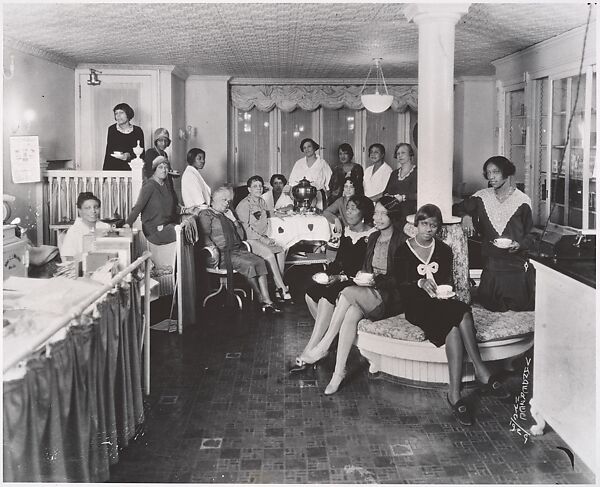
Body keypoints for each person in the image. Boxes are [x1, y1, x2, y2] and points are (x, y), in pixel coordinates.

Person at [395, 204, 510, 425]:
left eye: (434, 225)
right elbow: (399, 285)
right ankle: (480, 374)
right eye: (424, 224)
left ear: (438, 228)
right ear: (416, 224)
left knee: (460, 315)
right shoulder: (403, 250)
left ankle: (456, 392)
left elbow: (447, 283)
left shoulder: (444, 250)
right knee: (455, 322)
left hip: (440, 301)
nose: (429, 229)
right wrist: (419, 282)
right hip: (416, 304)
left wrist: (442, 291)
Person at [301, 196, 407, 394]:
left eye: (384, 213)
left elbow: (401, 279)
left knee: (347, 291)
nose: (378, 217)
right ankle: (338, 373)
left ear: (393, 215)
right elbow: (367, 266)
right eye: (377, 212)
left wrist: (375, 280)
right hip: (368, 291)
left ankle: (325, 345)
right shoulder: (374, 238)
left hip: (391, 296)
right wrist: (362, 275)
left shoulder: (401, 240)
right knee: (349, 315)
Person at [291, 195, 375, 372]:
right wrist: (329, 274)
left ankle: (312, 349)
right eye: (348, 207)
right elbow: (339, 260)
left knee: (326, 297)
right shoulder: (346, 230)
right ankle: (327, 340)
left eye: (353, 208)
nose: (348, 211)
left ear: (364, 213)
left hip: (357, 282)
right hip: (340, 277)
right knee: (310, 293)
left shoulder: (371, 236)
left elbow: (365, 269)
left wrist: (341, 278)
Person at [453, 156, 535, 311]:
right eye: (488, 172)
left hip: (515, 265)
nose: (491, 177)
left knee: (518, 307)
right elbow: (456, 208)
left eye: (496, 172)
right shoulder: (482, 197)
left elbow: (531, 234)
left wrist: (520, 244)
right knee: (490, 304)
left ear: (507, 173)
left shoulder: (522, 201)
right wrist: (466, 216)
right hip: (492, 264)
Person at [198, 186, 280, 313]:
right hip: (222, 255)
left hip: (238, 250)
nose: (227, 203)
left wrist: (234, 220)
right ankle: (262, 299)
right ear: (213, 201)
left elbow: (241, 236)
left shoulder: (228, 214)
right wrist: (213, 251)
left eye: (228, 201)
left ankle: (267, 300)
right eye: (224, 200)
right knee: (251, 264)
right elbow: (204, 236)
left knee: (260, 261)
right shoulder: (206, 214)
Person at [235, 176, 292, 302]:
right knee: (270, 254)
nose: (258, 188)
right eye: (255, 186)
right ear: (249, 189)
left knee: (281, 250)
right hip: (250, 240)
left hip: (262, 237)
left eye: (260, 186)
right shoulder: (244, 205)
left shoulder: (261, 201)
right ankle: (282, 288)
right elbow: (245, 229)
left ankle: (278, 287)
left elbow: (268, 213)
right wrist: (263, 239)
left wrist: (279, 214)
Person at [125, 157, 180, 244]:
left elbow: (173, 207)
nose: (164, 170)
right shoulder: (149, 186)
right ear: (155, 169)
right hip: (153, 230)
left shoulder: (166, 185)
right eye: (160, 167)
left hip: (166, 225)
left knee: (185, 227)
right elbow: (137, 207)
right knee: (180, 233)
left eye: (166, 167)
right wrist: (127, 224)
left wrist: (187, 210)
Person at [60, 192, 111, 260]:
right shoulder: (73, 231)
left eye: (96, 207)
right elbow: (69, 258)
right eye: (87, 208)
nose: (93, 211)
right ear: (80, 211)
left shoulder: (106, 227)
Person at [288, 138, 332, 210]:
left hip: (318, 197)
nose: (307, 149)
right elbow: (292, 183)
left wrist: (328, 202)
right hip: (301, 197)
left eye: (309, 146)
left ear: (314, 147)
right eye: (304, 148)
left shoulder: (322, 163)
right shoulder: (299, 163)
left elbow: (329, 184)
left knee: (318, 218)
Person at [103, 102, 145, 171]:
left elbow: (142, 153)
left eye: (121, 112)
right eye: (116, 113)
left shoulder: (138, 131)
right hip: (113, 170)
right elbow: (109, 152)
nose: (118, 116)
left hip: (132, 170)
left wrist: (128, 156)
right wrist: (105, 175)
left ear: (128, 114)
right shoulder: (112, 129)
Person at [384, 143, 417, 221]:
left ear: (410, 154)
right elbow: (386, 191)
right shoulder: (394, 173)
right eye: (398, 153)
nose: (400, 156)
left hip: (412, 213)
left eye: (403, 153)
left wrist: (403, 197)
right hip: (394, 213)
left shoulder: (418, 172)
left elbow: (422, 194)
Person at [181, 148, 212, 212]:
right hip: (197, 212)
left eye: (203, 158)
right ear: (192, 159)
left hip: (202, 210)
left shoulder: (193, 173)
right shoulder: (189, 175)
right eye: (199, 158)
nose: (203, 161)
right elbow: (199, 201)